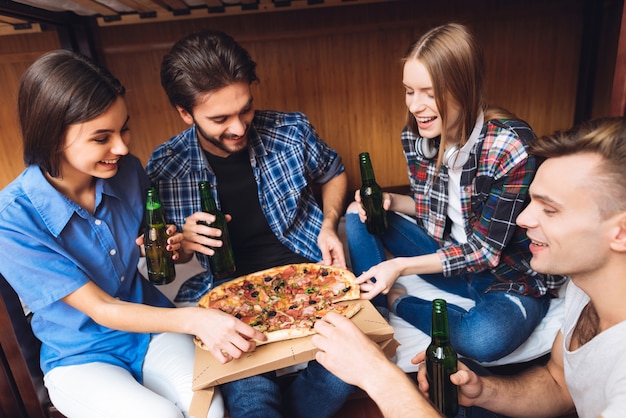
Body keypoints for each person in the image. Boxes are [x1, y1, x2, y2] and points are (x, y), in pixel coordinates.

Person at [314, 116, 626, 418]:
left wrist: (376, 373)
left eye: (550, 210)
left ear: (621, 232)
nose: (523, 219)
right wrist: (485, 391)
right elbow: (558, 385)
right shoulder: (585, 289)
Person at [0, 50, 228, 418]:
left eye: (124, 129)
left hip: (153, 328)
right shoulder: (11, 219)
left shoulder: (128, 172)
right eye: (101, 137)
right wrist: (198, 319)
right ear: (52, 135)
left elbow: (159, 255)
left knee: (211, 411)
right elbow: (101, 309)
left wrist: (177, 245)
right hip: (79, 356)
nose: (122, 147)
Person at [146, 30, 352, 418]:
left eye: (246, 109)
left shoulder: (292, 131)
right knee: (251, 399)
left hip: (311, 276)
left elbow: (335, 173)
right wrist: (183, 243)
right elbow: (163, 252)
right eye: (220, 118)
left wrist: (328, 224)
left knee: (346, 373)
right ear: (185, 112)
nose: (239, 127)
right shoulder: (165, 166)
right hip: (229, 295)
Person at [345, 23, 565, 362]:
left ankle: (399, 302)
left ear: (465, 88)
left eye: (429, 93)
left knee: (483, 340)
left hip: (503, 275)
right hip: (449, 258)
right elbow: (431, 211)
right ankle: (377, 322)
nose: (416, 106)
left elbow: (485, 251)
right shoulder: (418, 135)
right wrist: (389, 202)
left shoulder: (508, 148)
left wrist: (400, 267)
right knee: (358, 215)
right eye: (409, 91)